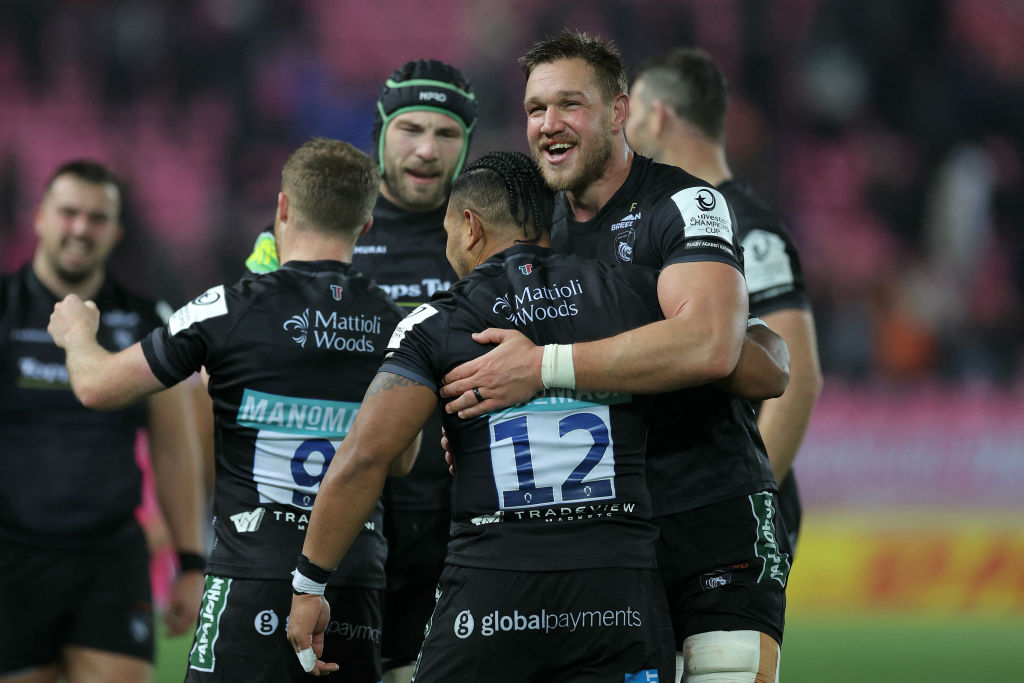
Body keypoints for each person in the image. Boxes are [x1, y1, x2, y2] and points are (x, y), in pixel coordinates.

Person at [438, 32, 791, 682]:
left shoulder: (683, 204)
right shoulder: (538, 228)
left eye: (568, 104)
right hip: (600, 542)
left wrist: (541, 367)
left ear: (619, 112)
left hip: (709, 511)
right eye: (535, 109)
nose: (548, 125)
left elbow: (713, 345)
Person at [288, 150, 676, 682]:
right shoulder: (631, 291)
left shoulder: (439, 321)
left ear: (469, 227)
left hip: (494, 594)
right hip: (618, 594)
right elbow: (747, 361)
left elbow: (363, 458)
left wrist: (310, 584)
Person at [47, 139, 414, 683]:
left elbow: (97, 387)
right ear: (365, 225)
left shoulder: (227, 309)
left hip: (252, 576)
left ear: (283, 208)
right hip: (353, 581)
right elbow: (401, 460)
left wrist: (78, 335)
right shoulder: (398, 325)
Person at [244, 59, 479, 683]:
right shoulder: (325, 222)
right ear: (380, 132)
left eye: (447, 133)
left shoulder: (487, 230)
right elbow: (246, 333)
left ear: (468, 142)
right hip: (342, 524)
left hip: (455, 524)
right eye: (410, 129)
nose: (427, 150)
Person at [0, 160, 205, 683]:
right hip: (12, 559)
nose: (80, 229)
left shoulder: (145, 320)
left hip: (110, 560)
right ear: (40, 217)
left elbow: (175, 450)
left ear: (116, 231)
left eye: (97, 218)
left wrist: (190, 562)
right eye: (69, 213)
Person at [625, 46, 823, 553]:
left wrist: (750, 502)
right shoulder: (662, 221)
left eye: (635, 110)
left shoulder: (747, 228)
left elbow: (798, 380)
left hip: (732, 500)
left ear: (658, 115)